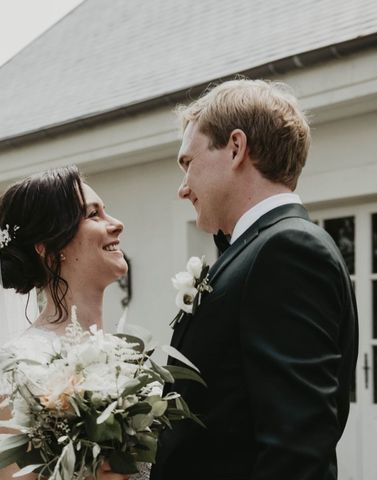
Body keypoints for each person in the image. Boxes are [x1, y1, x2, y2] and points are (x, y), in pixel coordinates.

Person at [151, 80, 359, 480]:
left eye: (187, 163)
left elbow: (296, 450)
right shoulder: (255, 249)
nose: (182, 188)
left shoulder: (288, 251)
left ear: (235, 148)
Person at [0, 166, 136, 480]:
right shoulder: (20, 368)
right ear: (49, 248)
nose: (117, 223)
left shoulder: (125, 353)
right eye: (93, 215)